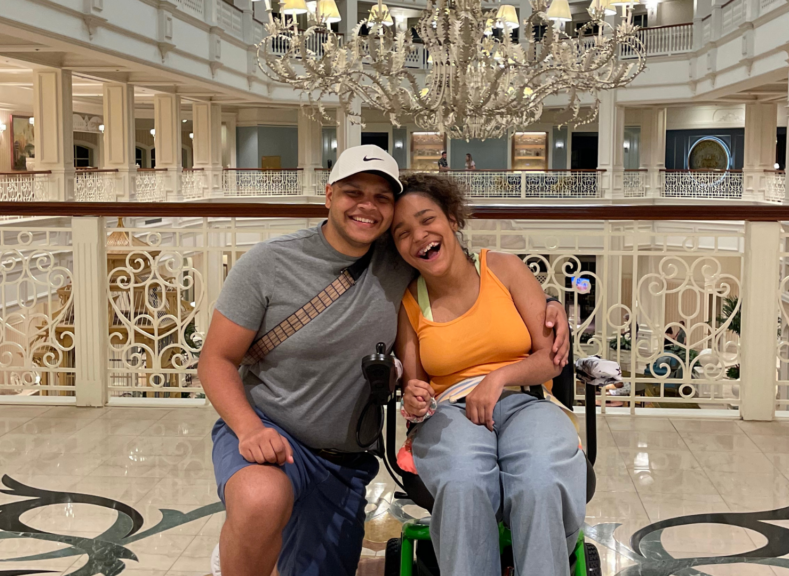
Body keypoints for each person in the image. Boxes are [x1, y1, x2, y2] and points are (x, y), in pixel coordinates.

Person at [199, 144, 572, 576]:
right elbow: (215, 360)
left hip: (342, 458)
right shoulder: (271, 263)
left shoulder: (398, 262)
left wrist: (549, 303)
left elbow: (470, 279)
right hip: (272, 430)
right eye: (353, 192)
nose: (367, 207)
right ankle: (243, 548)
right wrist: (248, 429)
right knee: (261, 500)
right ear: (329, 196)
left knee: (540, 474)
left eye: (381, 198)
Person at [393, 173, 586, 576]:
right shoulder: (408, 302)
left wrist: (496, 379)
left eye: (428, 220)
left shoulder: (504, 268)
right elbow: (417, 389)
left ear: (452, 219)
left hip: (525, 399)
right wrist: (414, 398)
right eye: (402, 232)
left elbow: (551, 358)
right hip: (449, 412)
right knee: (463, 481)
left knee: (540, 477)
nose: (419, 236)